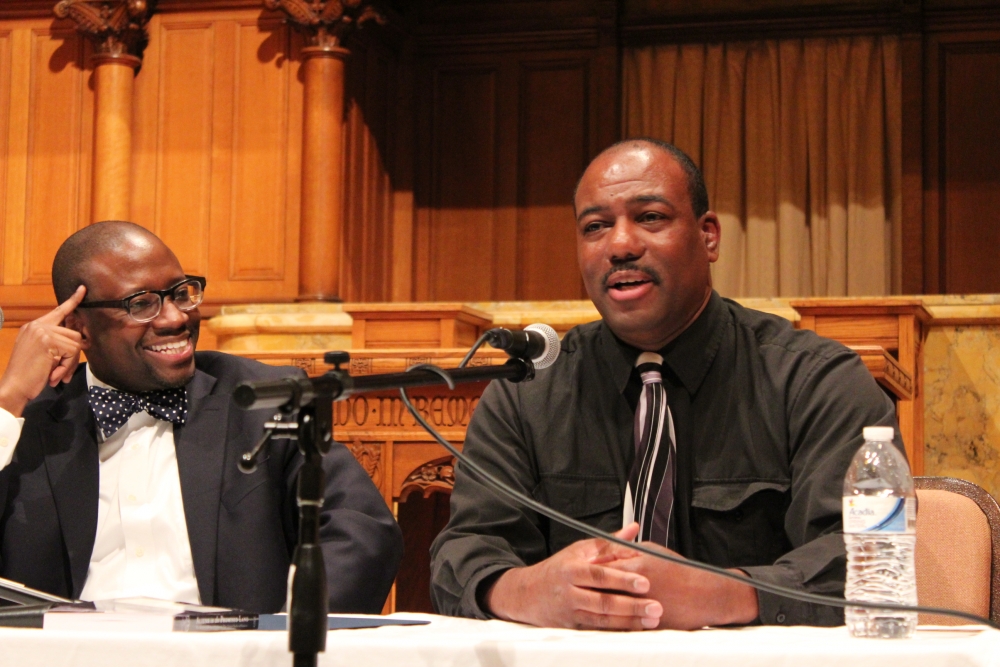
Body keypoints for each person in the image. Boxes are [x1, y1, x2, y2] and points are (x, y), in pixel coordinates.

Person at [429, 138, 902, 630]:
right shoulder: (525, 391)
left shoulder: (815, 381)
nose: (620, 245)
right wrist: (528, 590)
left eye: (650, 217)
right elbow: (464, 551)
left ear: (709, 236)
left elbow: (867, 557)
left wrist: (723, 593)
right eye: (595, 227)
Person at [0, 221, 403, 614]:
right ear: (79, 328)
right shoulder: (27, 421)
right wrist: (9, 399)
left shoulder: (263, 399)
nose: (175, 318)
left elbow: (362, 530)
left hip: (229, 650)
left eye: (181, 293)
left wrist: (284, 635)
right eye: (141, 304)